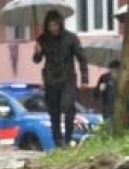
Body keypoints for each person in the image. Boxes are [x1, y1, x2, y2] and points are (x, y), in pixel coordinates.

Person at [33, 10, 89, 147]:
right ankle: (58, 140)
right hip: (51, 79)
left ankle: (68, 137)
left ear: (60, 24)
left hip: (67, 78)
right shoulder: (42, 39)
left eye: (55, 25)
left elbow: (81, 58)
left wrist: (85, 79)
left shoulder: (71, 38)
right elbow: (37, 60)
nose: (53, 28)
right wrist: (37, 52)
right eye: (50, 25)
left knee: (68, 106)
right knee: (54, 112)